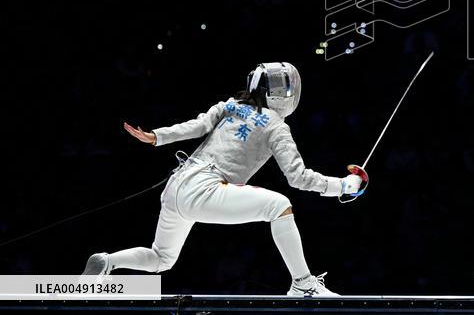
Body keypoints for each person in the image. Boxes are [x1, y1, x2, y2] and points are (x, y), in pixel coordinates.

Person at [81, 62, 363, 297]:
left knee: (162, 258)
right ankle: (303, 284)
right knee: (280, 206)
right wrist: (342, 185)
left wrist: (157, 136)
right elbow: (298, 177)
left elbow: (197, 125)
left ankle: (108, 261)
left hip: (177, 185)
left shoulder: (231, 105)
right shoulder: (277, 126)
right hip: (205, 188)